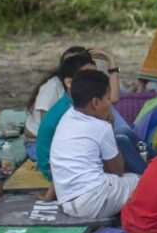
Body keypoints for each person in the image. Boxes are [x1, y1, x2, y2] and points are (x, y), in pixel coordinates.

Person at [36, 53, 145, 198]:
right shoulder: (72, 112)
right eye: (86, 75)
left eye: (94, 74)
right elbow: (116, 171)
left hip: (67, 187)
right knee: (139, 175)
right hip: (62, 176)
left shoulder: (73, 112)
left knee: (123, 133)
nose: (92, 79)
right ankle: (152, 172)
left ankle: (152, 163)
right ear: (69, 82)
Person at [51, 70, 140, 219]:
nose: (110, 104)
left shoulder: (67, 116)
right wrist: (110, 129)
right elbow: (117, 171)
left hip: (68, 203)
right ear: (96, 102)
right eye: (108, 99)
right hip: (94, 201)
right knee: (143, 181)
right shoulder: (101, 127)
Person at [24, 46, 88, 161]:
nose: (70, 66)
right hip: (39, 142)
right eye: (67, 63)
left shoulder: (86, 87)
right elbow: (46, 129)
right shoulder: (52, 86)